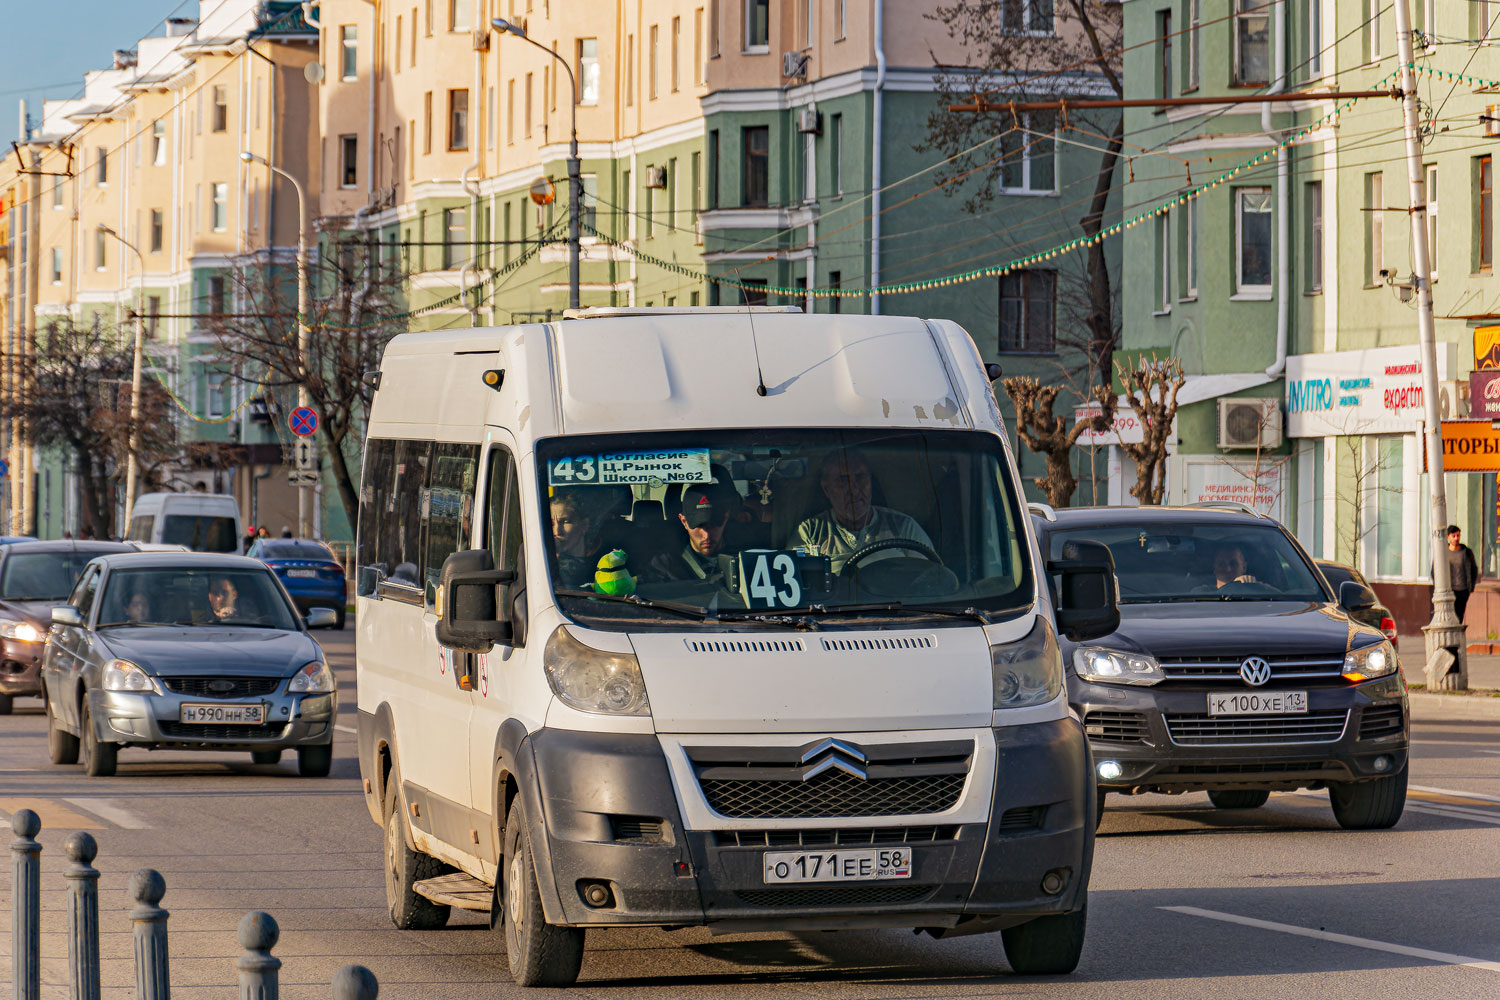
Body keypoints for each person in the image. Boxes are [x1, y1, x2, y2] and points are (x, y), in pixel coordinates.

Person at [794, 450, 934, 574]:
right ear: (826, 489)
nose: (854, 490)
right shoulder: (809, 532)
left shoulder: (903, 527)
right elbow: (797, 583)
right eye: (843, 480)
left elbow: (930, 579)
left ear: (870, 482)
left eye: (860, 477)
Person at [648, 482, 742, 584]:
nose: (706, 535)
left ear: (726, 518)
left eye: (714, 525)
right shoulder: (664, 565)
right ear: (684, 521)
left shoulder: (745, 559)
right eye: (699, 526)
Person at [550, 489, 606, 589]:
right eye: (551, 524)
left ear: (584, 525)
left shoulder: (605, 560)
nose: (557, 532)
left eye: (565, 522)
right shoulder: (542, 562)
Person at [1441, 525, 1480, 622]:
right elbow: (1435, 570)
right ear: (1448, 537)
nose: (1456, 538)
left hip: (1463, 590)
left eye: (1458, 536)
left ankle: (1457, 636)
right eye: (1453, 536)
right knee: (1448, 616)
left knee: (1459, 616)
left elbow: (1474, 569)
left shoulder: (1466, 552)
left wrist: (1470, 588)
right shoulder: (1443, 553)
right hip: (1448, 590)